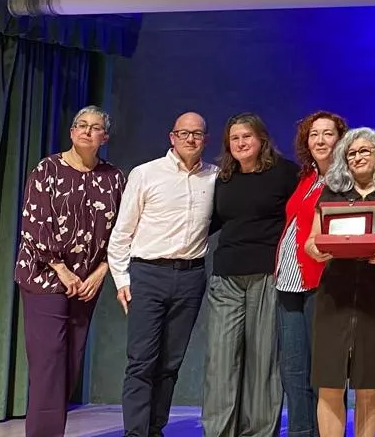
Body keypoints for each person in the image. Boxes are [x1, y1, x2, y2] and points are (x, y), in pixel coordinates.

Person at [15, 106, 125, 437]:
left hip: (86, 283)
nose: (87, 131)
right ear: (71, 132)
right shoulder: (47, 169)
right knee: (49, 361)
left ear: (105, 137)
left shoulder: (114, 178)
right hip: (45, 277)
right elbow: (35, 223)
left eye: (95, 127)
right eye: (81, 125)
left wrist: (102, 271)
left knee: (70, 363)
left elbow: (123, 230)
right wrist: (61, 269)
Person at [107, 112, 219, 437]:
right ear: (172, 137)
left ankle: (155, 429)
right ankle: (135, 433)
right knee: (141, 360)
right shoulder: (146, 174)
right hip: (147, 274)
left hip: (190, 277)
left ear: (206, 140)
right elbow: (121, 233)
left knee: (170, 363)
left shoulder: (214, 177)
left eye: (197, 133)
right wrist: (122, 280)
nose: (190, 139)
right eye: (184, 133)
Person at [304, 127, 375, 437]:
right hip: (334, 295)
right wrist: (316, 250)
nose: (357, 157)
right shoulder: (334, 191)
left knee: (369, 383)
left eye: (364, 151)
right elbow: (312, 240)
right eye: (351, 153)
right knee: (329, 381)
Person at [204, 113, 300, 437]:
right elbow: (211, 222)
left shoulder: (285, 173)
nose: (241, 143)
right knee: (221, 361)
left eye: (247, 136)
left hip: (267, 276)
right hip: (226, 277)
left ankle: (258, 432)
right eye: (234, 138)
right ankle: (218, 432)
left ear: (261, 139)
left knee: (263, 361)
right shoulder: (223, 178)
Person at [276, 112, 347, 437]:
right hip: (289, 283)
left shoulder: (344, 181)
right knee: (293, 369)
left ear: (340, 139)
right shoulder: (307, 178)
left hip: (323, 283)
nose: (320, 140)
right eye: (313, 134)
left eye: (327, 133)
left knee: (324, 371)